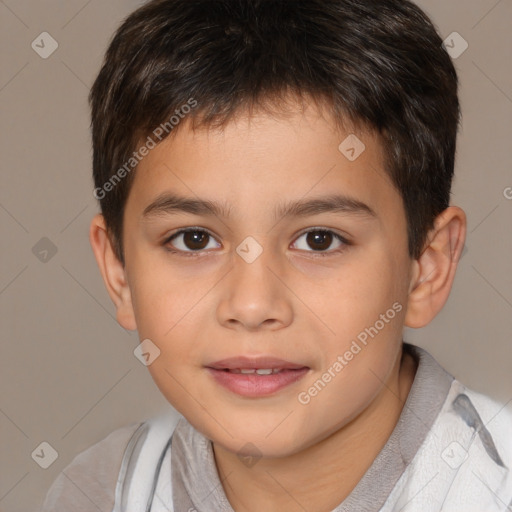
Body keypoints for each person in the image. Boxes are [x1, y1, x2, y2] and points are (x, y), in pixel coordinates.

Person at [39, 0, 512, 510]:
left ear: (428, 268)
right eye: (194, 239)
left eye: (319, 240)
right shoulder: (97, 493)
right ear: (119, 272)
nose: (252, 304)